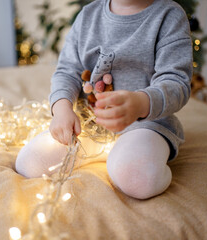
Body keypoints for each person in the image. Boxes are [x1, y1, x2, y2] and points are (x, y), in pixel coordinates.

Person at [16, 0, 192, 200]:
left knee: (137, 179)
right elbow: (67, 71)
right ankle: (106, 152)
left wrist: (141, 102)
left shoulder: (168, 16)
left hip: (145, 124)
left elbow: (176, 82)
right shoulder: (88, 16)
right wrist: (62, 108)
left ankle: (134, 156)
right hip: (89, 124)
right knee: (29, 163)